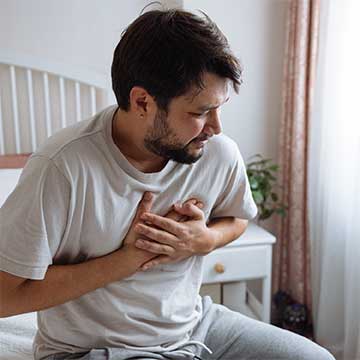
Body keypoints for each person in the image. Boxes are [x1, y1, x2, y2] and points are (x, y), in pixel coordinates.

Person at [0, 8, 334, 360]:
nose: (216, 127)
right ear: (142, 101)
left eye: (219, 107)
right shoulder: (62, 167)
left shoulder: (217, 152)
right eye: (199, 112)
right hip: (93, 348)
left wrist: (203, 239)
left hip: (195, 327)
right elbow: (5, 296)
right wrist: (129, 259)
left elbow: (237, 219)